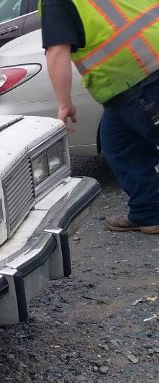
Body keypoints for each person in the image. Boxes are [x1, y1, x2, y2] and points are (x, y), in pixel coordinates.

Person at [40, 0, 159, 234]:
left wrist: (64, 103)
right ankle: (149, 212)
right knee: (118, 143)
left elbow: (57, 51)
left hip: (139, 78)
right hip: (133, 80)